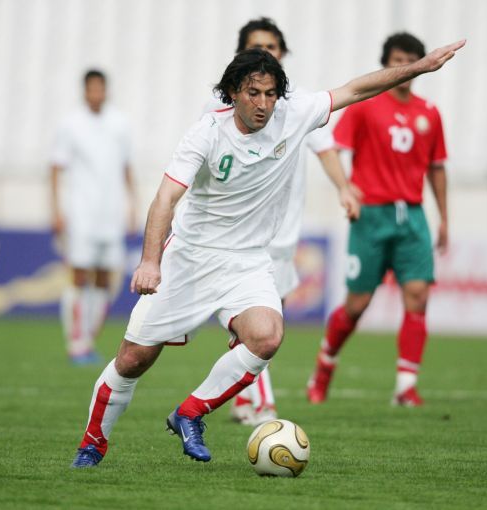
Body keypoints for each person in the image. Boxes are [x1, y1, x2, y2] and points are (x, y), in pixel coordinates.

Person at [71, 38, 465, 468]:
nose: (263, 104)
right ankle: (92, 445)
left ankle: (190, 413)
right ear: (233, 92)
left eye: (271, 94)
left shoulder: (293, 115)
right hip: (190, 258)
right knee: (133, 359)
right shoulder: (207, 132)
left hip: (247, 261)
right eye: (253, 93)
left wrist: (419, 68)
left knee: (267, 336)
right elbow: (165, 198)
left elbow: (355, 89)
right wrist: (150, 261)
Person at [205, 18, 361, 426]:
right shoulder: (220, 111)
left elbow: (325, 149)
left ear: (283, 54)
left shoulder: (296, 105)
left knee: (266, 326)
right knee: (256, 326)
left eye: (272, 47)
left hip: (284, 235)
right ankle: (262, 406)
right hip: (240, 236)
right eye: (256, 47)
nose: (265, 53)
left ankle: (243, 398)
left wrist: (344, 188)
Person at [307, 33, 450, 407]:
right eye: (397, 59)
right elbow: (335, 148)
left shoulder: (430, 112)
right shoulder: (365, 106)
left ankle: (405, 386)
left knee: (418, 295)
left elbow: (437, 168)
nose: (403, 66)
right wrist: (347, 188)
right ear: (386, 63)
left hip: (412, 216)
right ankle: (324, 366)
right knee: (357, 304)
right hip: (371, 215)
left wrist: (444, 219)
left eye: (410, 60)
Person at [50, 69, 136, 364]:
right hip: (82, 213)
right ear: (85, 91)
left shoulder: (120, 123)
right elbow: (56, 167)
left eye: (100, 88)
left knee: (103, 279)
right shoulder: (71, 124)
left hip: (111, 214)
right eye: (92, 89)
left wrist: (132, 204)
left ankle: (87, 340)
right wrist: (56, 210)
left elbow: (126, 166)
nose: (96, 93)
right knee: (79, 275)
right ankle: (76, 342)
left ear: (106, 90)